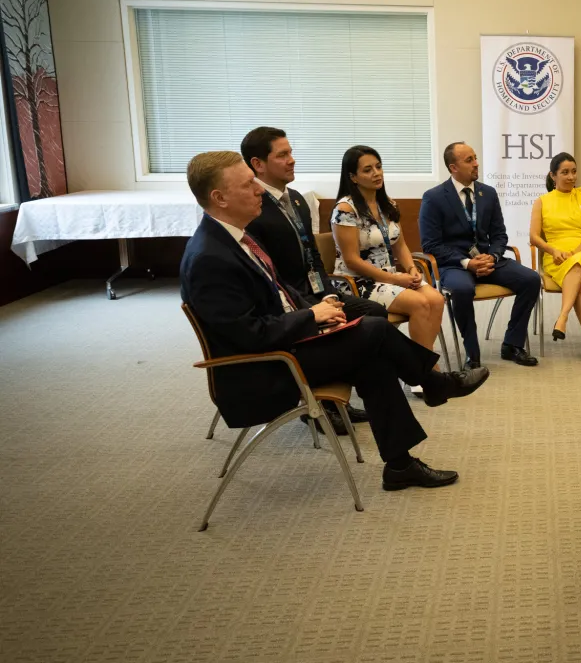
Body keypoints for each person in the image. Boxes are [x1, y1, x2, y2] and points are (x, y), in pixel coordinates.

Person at [179, 152, 488, 491]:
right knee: (372, 329)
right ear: (219, 198)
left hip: (289, 346)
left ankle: (401, 463)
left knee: (374, 356)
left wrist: (320, 306)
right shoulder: (210, 257)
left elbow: (279, 293)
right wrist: (311, 317)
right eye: (248, 184)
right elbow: (249, 335)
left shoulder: (234, 238)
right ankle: (433, 382)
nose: (258, 190)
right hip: (262, 370)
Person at [241, 127, 388, 434]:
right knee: (345, 328)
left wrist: (329, 292)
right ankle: (318, 405)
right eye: (282, 155)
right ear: (258, 164)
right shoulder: (253, 208)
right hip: (291, 301)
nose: (292, 160)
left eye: (291, 152)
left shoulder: (295, 198)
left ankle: (337, 399)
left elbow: (311, 254)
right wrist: (313, 305)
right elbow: (269, 274)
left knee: (374, 313)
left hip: (317, 290)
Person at [419, 142, 541, 369]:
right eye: (469, 160)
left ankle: (512, 344)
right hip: (454, 264)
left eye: (475, 158)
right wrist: (467, 262)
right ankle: (472, 354)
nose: (476, 163)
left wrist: (493, 257)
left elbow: (500, 235)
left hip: (488, 260)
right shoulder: (434, 198)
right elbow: (431, 245)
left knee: (532, 280)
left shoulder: (488, 193)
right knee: (462, 290)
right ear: (453, 167)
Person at [330, 146, 448, 358]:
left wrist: (411, 269)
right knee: (420, 303)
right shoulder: (345, 209)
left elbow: (400, 245)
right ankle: (424, 371)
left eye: (378, 166)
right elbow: (351, 260)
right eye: (367, 170)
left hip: (390, 277)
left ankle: (423, 364)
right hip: (358, 281)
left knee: (437, 300)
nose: (376, 173)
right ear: (353, 177)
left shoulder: (389, 204)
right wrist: (394, 279)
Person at [529, 152, 581, 365]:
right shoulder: (542, 202)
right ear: (553, 175)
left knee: (578, 263)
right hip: (556, 257)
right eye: (565, 173)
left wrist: (575, 253)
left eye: (573, 172)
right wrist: (553, 251)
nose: (571, 177)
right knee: (579, 281)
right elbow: (534, 236)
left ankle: (562, 317)